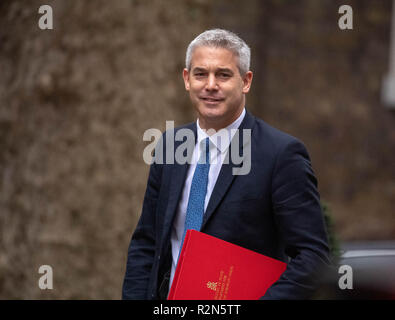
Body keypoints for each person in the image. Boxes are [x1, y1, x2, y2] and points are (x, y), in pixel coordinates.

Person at [122, 29, 330, 300]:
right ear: (186, 79)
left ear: (246, 81)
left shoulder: (281, 155)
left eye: (223, 74)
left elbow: (313, 257)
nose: (210, 85)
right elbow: (147, 242)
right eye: (200, 74)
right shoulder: (170, 146)